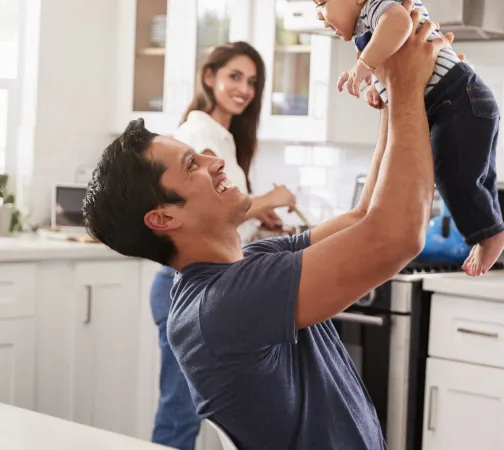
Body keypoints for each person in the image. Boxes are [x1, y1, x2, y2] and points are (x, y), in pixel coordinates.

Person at [82, 7, 450, 449]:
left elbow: (363, 218)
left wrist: (392, 95)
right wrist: (409, 86)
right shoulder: (225, 303)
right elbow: (398, 233)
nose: (213, 161)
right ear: (164, 218)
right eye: (191, 164)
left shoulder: (245, 266)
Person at [147, 41, 296, 450]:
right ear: (209, 76)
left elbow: (222, 210)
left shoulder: (224, 137)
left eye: (252, 81)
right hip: (186, 284)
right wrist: (271, 198)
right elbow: (207, 214)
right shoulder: (197, 133)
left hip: (213, 285)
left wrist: (258, 216)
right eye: (235, 76)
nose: (244, 89)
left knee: (206, 415)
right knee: (179, 414)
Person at [316, 0, 504, 276]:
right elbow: (395, 60)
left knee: (451, 173)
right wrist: (378, 87)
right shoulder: (368, 24)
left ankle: (489, 233)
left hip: (455, 99)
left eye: (321, 2)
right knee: (478, 178)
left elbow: (398, 24)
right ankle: (491, 229)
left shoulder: (377, 7)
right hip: (463, 100)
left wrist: (363, 66)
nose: (319, 15)